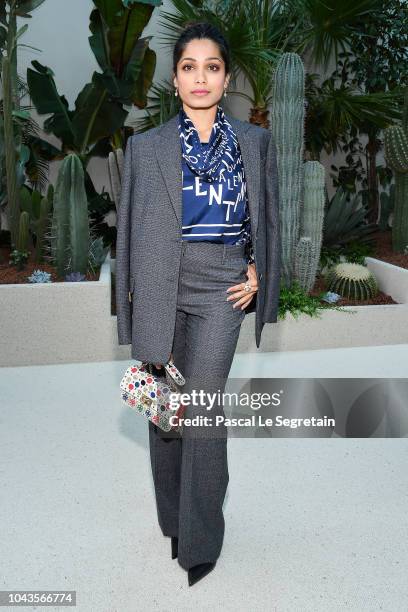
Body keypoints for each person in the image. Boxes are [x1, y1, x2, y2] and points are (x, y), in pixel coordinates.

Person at [115, 21, 281, 587]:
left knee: (204, 409)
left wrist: (258, 267)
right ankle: (174, 519)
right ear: (177, 76)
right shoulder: (146, 146)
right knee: (168, 414)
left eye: (212, 66)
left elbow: (268, 220)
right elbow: (129, 233)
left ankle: (202, 537)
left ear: (225, 77)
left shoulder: (254, 143)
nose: (201, 77)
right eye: (190, 66)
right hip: (163, 286)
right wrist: (129, 310)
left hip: (223, 290)